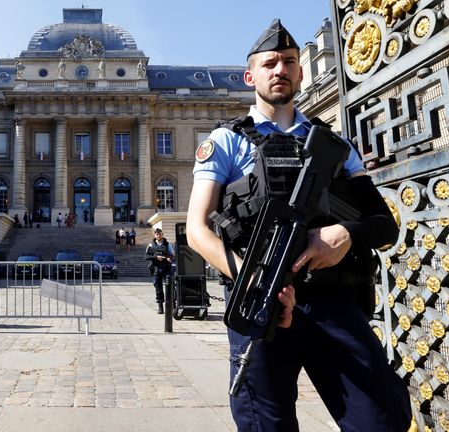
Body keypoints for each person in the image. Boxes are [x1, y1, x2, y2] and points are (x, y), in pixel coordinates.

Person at [185, 19, 411, 431]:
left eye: (289, 61)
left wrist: (345, 233)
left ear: (301, 71)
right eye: (270, 63)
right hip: (261, 302)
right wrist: (255, 280)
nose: (280, 69)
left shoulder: (336, 146)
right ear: (251, 75)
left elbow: (383, 223)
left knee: (382, 419)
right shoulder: (225, 141)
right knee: (266, 424)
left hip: (334, 301)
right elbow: (197, 230)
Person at [144, 228, 174, 314]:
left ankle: (171, 305)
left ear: (162, 234)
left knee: (170, 287)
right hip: (157, 270)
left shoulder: (167, 244)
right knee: (158, 289)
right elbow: (146, 257)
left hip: (166, 269)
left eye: (160, 234)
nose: (158, 236)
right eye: (157, 234)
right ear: (155, 235)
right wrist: (156, 257)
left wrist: (168, 258)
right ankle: (160, 307)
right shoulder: (151, 245)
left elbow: (172, 255)